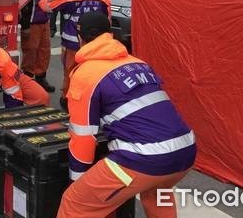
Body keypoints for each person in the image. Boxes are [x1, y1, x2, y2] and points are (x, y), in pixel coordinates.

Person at [57, 12, 196, 218]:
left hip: (143, 157)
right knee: (157, 194)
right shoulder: (138, 63)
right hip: (185, 151)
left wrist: (78, 181)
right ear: (109, 34)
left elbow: (83, 136)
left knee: (76, 202)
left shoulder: (86, 73)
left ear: (80, 37)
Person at [38, 0, 111, 110]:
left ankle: (68, 100)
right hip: (96, 44)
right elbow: (107, 21)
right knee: (93, 72)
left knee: (70, 72)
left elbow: (45, 6)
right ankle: (90, 100)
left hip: (72, 42)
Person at [20, 0, 56, 92]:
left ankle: (41, 77)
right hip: (31, 22)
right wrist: (25, 26)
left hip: (44, 20)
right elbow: (23, 4)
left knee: (44, 51)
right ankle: (27, 82)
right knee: (30, 52)